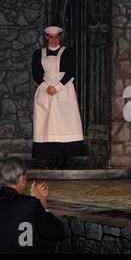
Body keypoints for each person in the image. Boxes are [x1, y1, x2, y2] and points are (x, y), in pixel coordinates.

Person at [0, 158, 65, 254]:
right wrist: (43, 207)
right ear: (21, 178)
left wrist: (33, 202)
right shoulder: (31, 204)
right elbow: (58, 233)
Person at [31, 26, 84, 169]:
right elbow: (36, 73)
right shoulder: (38, 53)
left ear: (59, 37)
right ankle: (50, 158)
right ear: (46, 37)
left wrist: (58, 87)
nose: (54, 40)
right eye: (51, 37)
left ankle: (63, 158)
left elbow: (71, 72)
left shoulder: (67, 52)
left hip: (63, 91)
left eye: (56, 37)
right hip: (46, 90)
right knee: (47, 125)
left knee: (62, 124)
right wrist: (45, 86)